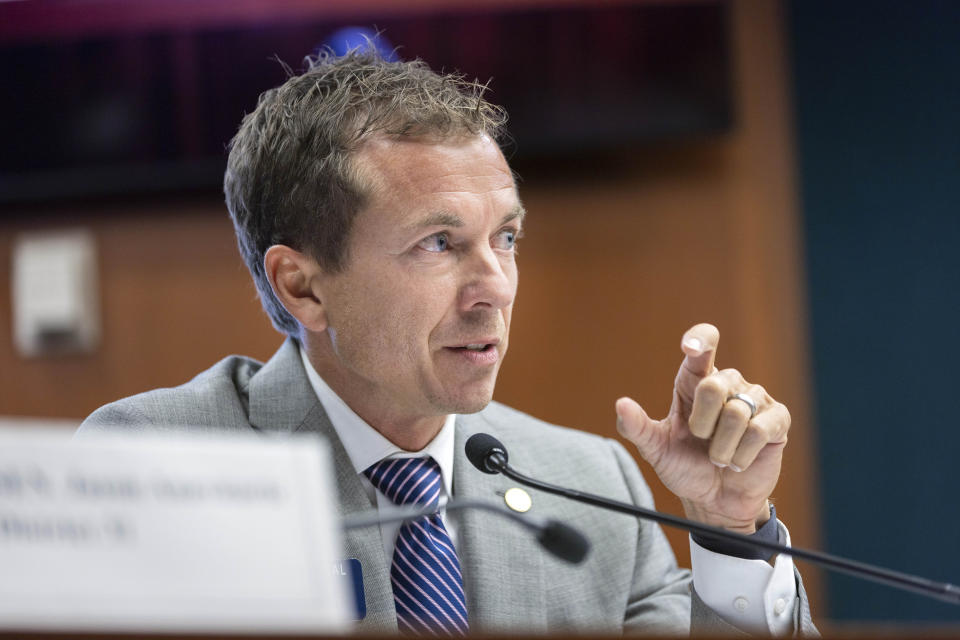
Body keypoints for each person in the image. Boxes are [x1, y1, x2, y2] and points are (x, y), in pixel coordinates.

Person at [79, 49, 816, 636]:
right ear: (302, 286)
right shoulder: (151, 465)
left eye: (507, 237)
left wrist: (728, 530)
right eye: (439, 242)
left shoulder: (593, 488)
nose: (495, 286)